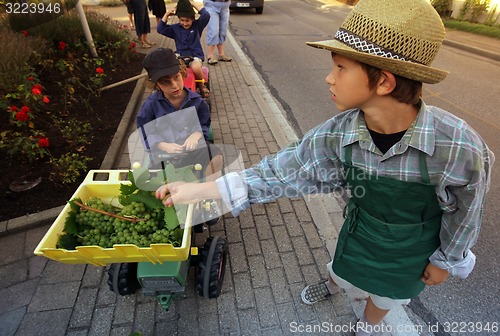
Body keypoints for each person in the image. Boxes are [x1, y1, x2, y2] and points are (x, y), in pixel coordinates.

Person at [155, 0, 495, 335]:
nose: (329, 78)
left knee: (387, 296)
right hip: (361, 232)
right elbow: (278, 173)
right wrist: (200, 189)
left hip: (412, 251)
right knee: (342, 270)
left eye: (341, 67)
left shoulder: (459, 147)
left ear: (385, 82)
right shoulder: (337, 134)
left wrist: (446, 260)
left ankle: (367, 325)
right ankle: (333, 284)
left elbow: (466, 212)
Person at [137, 48, 222, 184]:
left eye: (176, 77)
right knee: (154, 180)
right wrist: (162, 145)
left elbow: (204, 124)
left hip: (191, 151)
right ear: (156, 84)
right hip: (165, 154)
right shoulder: (151, 105)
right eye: (165, 82)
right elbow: (144, 130)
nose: (174, 85)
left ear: (182, 73)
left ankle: (208, 187)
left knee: (215, 153)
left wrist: (196, 135)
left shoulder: (198, 102)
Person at [157, 0, 211, 98]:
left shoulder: (197, 26)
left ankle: (201, 85)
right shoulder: (175, 29)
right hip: (180, 55)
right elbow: (160, 29)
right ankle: (174, 88)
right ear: (179, 19)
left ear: (192, 19)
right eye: (182, 20)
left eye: (187, 21)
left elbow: (206, 15)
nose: (184, 23)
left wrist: (192, 3)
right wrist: (167, 14)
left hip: (194, 56)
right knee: (171, 69)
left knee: (196, 67)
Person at [203, 0, 232, 65]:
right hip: (212, 5)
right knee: (213, 31)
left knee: (223, 31)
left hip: (225, 6)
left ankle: (221, 55)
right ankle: (210, 57)